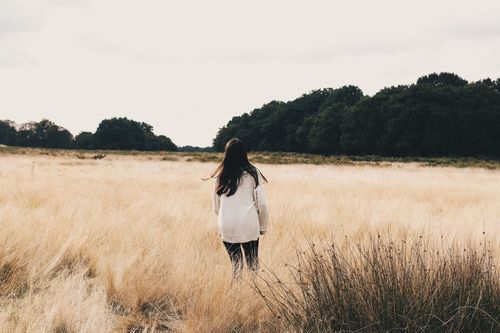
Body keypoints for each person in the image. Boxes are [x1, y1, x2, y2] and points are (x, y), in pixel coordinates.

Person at [207, 138, 268, 278]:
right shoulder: (253, 173)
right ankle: (252, 295)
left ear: (226, 153)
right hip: (249, 224)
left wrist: (226, 216)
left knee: (236, 266)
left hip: (227, 224)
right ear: (243, 153)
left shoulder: (220, 176)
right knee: (253, 265)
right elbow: (262, 204)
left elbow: (216, 207)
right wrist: (262, 226)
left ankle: (236, 294)